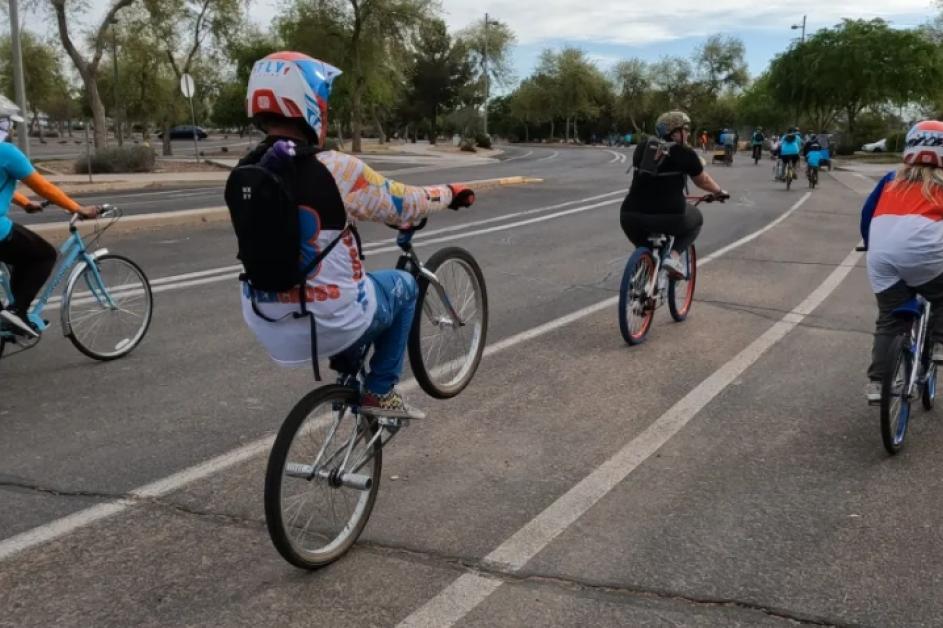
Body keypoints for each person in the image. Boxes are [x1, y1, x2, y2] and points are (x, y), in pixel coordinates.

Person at [237, 52, 475, 420]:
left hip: (268, 321)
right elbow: (405, 203)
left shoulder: (245, 172)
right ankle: (380, 392)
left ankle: (349, 370)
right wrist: (450, 192)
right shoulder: (336, 170)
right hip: (330, 321)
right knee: (404, 287)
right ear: (310, 102)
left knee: (352, 288)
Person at [0, 95, 98, 338]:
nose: (11, 128)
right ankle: (17, 313)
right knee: (44, 255)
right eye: (8, 123)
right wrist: (78, 208)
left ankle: (11, 313)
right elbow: (44, 188)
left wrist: (24, 203)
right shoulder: (7, 152)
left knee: (20, 257)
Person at [860, 120, 943, 402]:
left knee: (888, 320)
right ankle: (941, 343)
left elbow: (867, 215)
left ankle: (877, 384)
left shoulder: (889, 180)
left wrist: (870, 244)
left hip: (881, 258)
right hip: (925, 256)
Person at [620, 111, 728, 278]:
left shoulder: (642, 147)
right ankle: (673, 257)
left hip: (630, 215)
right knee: (696, 219)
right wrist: (719, 192)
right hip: (668, 216)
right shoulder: (685, 153)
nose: (688, 133)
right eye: (685, 129)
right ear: (674, 132)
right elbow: (703, 181)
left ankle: (642, 284)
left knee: (645, 247)